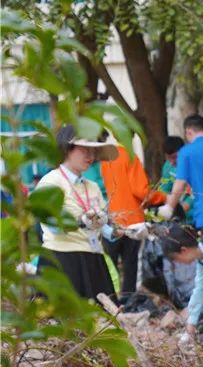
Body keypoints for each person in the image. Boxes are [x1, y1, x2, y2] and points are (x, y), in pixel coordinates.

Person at [32, 125, 119, 300]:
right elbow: (53, 225)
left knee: (103, 314)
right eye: (84, 149)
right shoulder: (51, 182)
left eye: (93, 150)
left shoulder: (92, 187)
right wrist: (81, 220)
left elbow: (104, 229)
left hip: (93, 259)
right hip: (62, 261)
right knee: (64, 315)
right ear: (67, 149)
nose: (90, 156)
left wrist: (126, 231)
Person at [100, 142, 156, 296]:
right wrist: (162, 198)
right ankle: (128, 300)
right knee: (131, 267)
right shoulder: (129, 156)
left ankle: (110, 298)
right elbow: (140, 190)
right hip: (133, 221)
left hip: (110, 220)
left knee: (110, 265)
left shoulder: (103, 159)